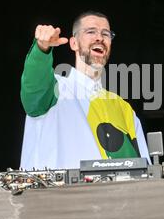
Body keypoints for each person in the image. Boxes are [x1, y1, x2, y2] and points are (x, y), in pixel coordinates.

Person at [20, 11, 150, 170]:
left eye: (106, 34)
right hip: (56, 194)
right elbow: (33, 91)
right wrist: (41, 49)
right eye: (91, 32)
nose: (100, 38)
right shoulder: (56, 88)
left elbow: (144, 171)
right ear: (73, 43)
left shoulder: (124, 108)